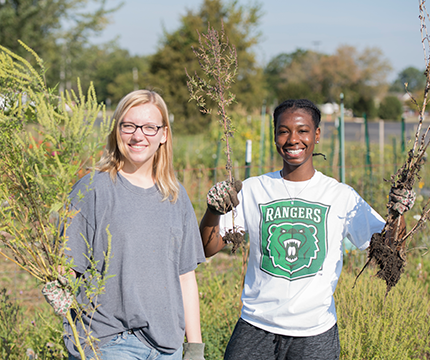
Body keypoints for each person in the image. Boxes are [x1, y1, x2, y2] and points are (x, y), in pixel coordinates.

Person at [199, 99, 415, 360]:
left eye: (302, 130)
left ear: (317, 135)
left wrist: (398, 213)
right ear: (274, 135)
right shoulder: (254, 189)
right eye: (283, 130)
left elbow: (389, 250)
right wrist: (213, 210)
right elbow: (208, 248)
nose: (293, 139)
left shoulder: (340, 195)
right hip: (255, 328)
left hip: (315, 334)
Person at [44, 90, 206, 360]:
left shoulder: (175, 195)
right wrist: (59, 285)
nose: (138, 135)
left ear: (164, 134)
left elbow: (185, 277)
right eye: (128, 125)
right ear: (117, 130)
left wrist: (194, 349)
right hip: (108, 341)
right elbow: (68, 265)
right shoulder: (94, 189)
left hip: (167, 345)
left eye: (149, 127)